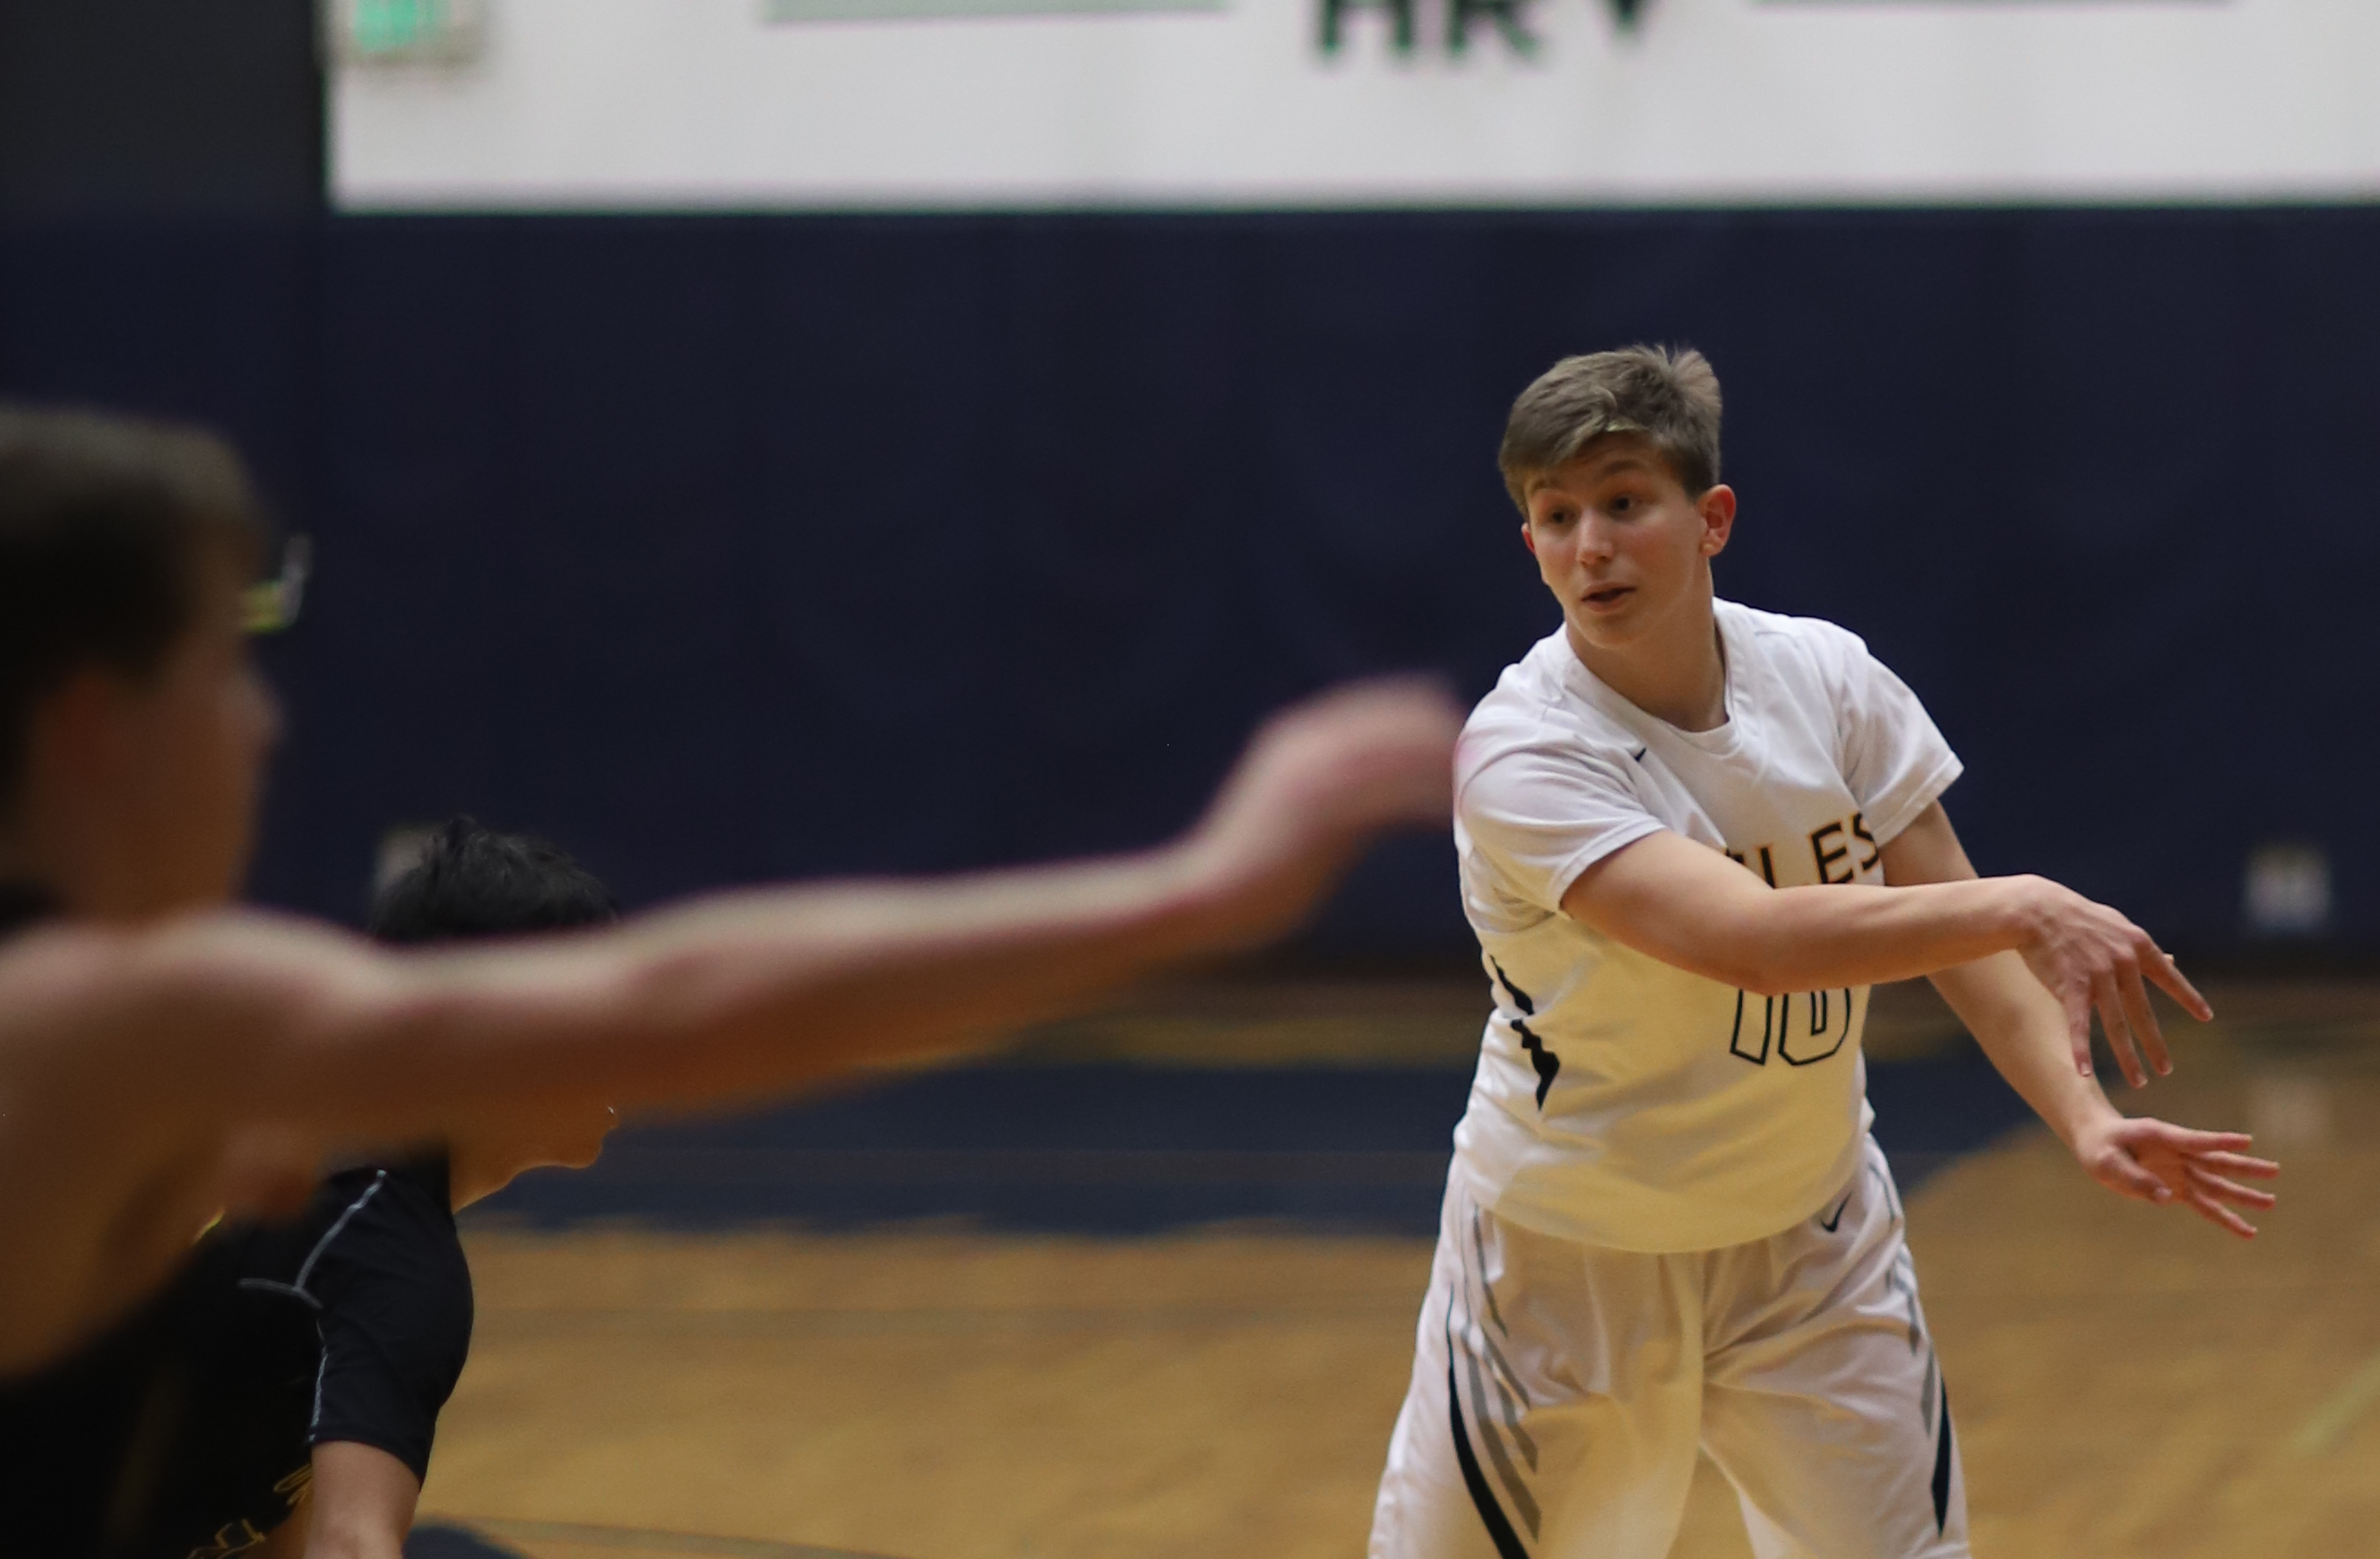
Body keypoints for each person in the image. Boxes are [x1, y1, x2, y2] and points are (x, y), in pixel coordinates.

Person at [0, 405, 1460, 1432]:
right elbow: (672, 1005)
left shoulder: (122, 1025)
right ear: (92, 726)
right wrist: (1195, 892)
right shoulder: (105, 1021)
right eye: (222, 669)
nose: (261, 726)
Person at [1367, 347, 2280, 1559]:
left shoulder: (1828, 680)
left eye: (1625, 502)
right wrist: (2022, 905)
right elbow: (1748, 941)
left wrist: (2083, 1116)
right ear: (1528, 541)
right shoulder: (1522, 752)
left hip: (1813, 1241)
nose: (1590, 545)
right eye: (1556, 515)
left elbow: (1959, 939)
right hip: (1569, 1259)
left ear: (1712, 519)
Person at [14, 820, 625, 1559]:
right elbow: (350, 1544)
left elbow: (268, 1505)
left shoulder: (319, 1179)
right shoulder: (393, 1264)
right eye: (587, 1021)